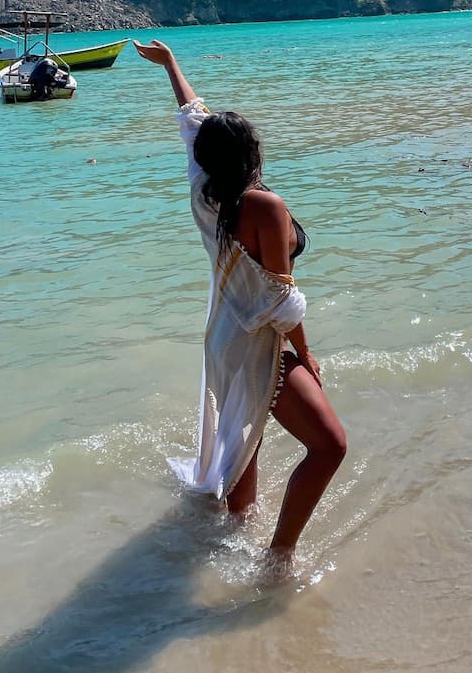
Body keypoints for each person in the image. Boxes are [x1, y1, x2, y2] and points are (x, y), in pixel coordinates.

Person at [134, 39, 346, 566]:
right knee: (329, 447)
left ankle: (231, 538)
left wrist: (170, 65)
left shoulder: (205, 191)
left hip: (221, 337)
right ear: (252, 152)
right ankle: (279, 558)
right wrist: (306, 353)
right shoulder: (265, 206)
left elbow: (192, 118)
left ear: (207, 157)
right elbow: (279, 298)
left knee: (245, 436)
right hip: (256, 340)